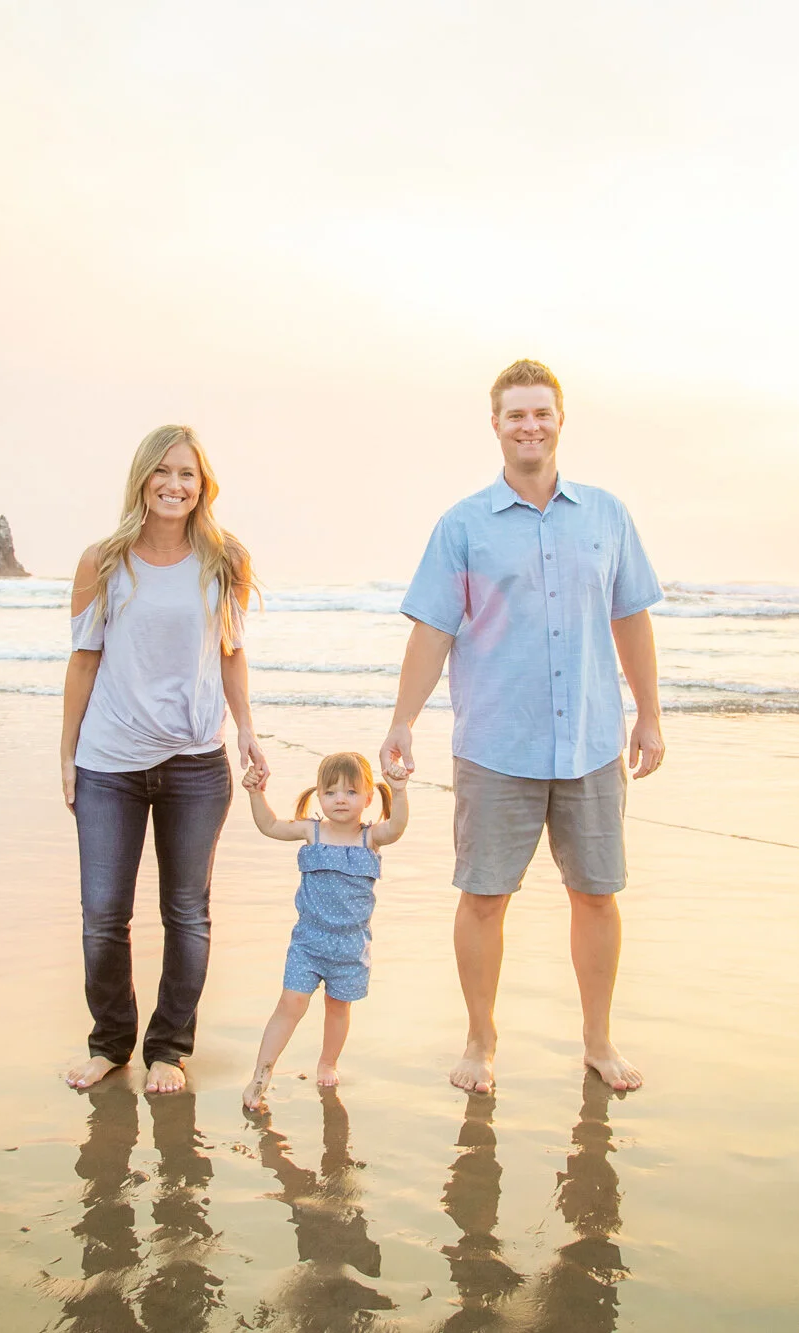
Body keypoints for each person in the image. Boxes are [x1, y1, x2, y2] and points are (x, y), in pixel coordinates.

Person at [381, 359, 665, 1096]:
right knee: (483, 896)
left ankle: (598, 1040)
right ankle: (480, 1039)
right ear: (497, 425)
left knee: (597, 894)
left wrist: (650, 715)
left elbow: (630, 618)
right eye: (516, 415)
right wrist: (403, 721)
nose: (530, 425)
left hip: (593, 743)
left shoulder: (607, 515)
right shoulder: (463, 525)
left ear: (560, 419)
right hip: (496, 745)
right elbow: (432, 631)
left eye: (541, 413)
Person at [61, 424, 267, 1095]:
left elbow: (231, 653)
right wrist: (66, 752)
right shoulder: (104, 560)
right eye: (165, 472)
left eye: (189, 474)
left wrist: (247, 731)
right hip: (110, 763)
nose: (176, 485)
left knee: (187, 912)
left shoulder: (222, 558)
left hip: (194, 765)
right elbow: (84, 657)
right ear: (143, 477)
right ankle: (110, 1043)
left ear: (202, 485)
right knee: (103, 913)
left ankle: (169, 1049)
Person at [239, 751, 410, 1110]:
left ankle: (328, 1061)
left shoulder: (370, 837)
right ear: (319, 796)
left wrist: (400, 789)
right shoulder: (311, 831)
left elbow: (397, 827)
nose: (340, 800)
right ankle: (261, 1072)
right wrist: (256, 793)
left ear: (367, 797)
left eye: (350, 792)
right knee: (291, 1004)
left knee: (338, 1008)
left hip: (351, 946)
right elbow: (269, 826)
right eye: (330, 792)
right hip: (308, 941)